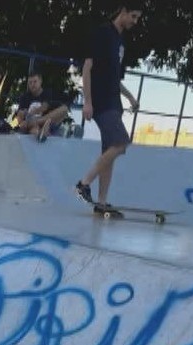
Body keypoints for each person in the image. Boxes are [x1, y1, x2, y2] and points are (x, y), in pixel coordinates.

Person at [75, 5, 142, 216]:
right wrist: (87, 101)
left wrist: (130, 96)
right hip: (101, 102)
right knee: (121, 142)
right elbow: (87, 67)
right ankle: (83, 184)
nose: (135, 22)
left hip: (115, 103)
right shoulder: (102, 33)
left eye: (137, 18)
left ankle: (101, 203)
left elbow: (115, 79)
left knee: (109, 153)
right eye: (133, 16)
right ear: (122, 10)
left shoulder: (121, 42)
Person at [15, 72, 70, 141]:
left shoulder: (47, 93)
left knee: (64, 109)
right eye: (30, 83)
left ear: (40, 81)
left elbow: (44, 107)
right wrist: (21, 119)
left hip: (45, 120)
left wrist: (32, 113)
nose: (32, 85)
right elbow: (20, 114)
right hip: (31, 124)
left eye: (35, 82)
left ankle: (44, 129)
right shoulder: (25, 96)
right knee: (34, 130)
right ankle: (42, 133)